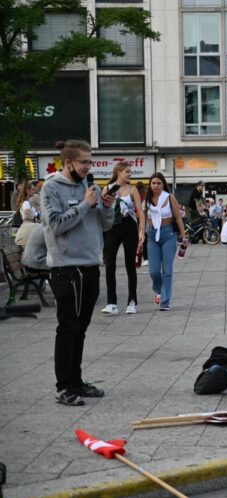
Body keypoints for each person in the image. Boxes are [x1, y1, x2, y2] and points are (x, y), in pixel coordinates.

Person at [41, 139, 115, 406]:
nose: (88, 166)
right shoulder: (51, 188)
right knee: (68, 328)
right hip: (66, 269)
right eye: (84, 162)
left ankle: (76, 381)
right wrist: (85, 204)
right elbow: (57, 224)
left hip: (90, 266)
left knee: (80, 329)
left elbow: (104, 225)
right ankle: (64, 387)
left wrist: (107, 206)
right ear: (68, 162)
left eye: (90, 161)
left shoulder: (90, 185)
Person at [100, 162, 145, 315]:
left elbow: (140, 211)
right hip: (112, 227)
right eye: (127, 171)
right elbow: (101, 209)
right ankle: (111, 303)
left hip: (129, 226)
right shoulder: (107, 188)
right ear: (119, 172)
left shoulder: (132, 189)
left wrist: (141, 231)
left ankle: (132, 301)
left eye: (130, 172)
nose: (130, 174)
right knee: (110, 264)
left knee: (129, 265)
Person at [144, 172, 187, 311]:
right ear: (150, 185)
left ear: (163, 185)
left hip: (168, 234)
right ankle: (158, 290)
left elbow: (178, 218)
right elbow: (143, 219)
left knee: (167, 270)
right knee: (154, 271)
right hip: (152, 235)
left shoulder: (169, 198)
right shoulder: (147, 199)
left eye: (158, 183)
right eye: (153, 183)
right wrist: (140, 234)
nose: (155, 185)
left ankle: (165, 301)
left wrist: (183, 235)